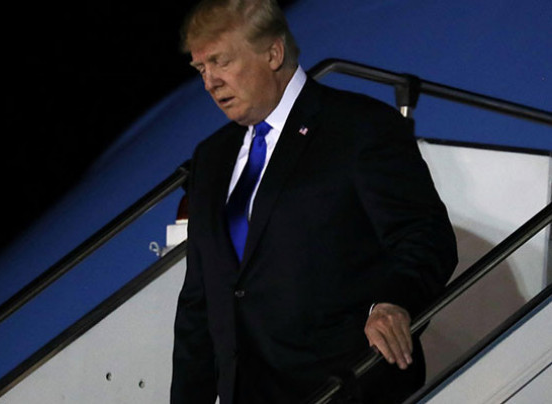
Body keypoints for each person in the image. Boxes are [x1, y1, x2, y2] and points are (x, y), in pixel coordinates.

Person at [171, 1, 458, 403]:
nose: (210, 83)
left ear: (273, 53)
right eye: (201, 68)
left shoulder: (359, 127)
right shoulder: (210, 157)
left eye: (221, 62)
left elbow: (425, 236)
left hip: (346, 388)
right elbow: (200, 299)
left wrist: (394, 302)